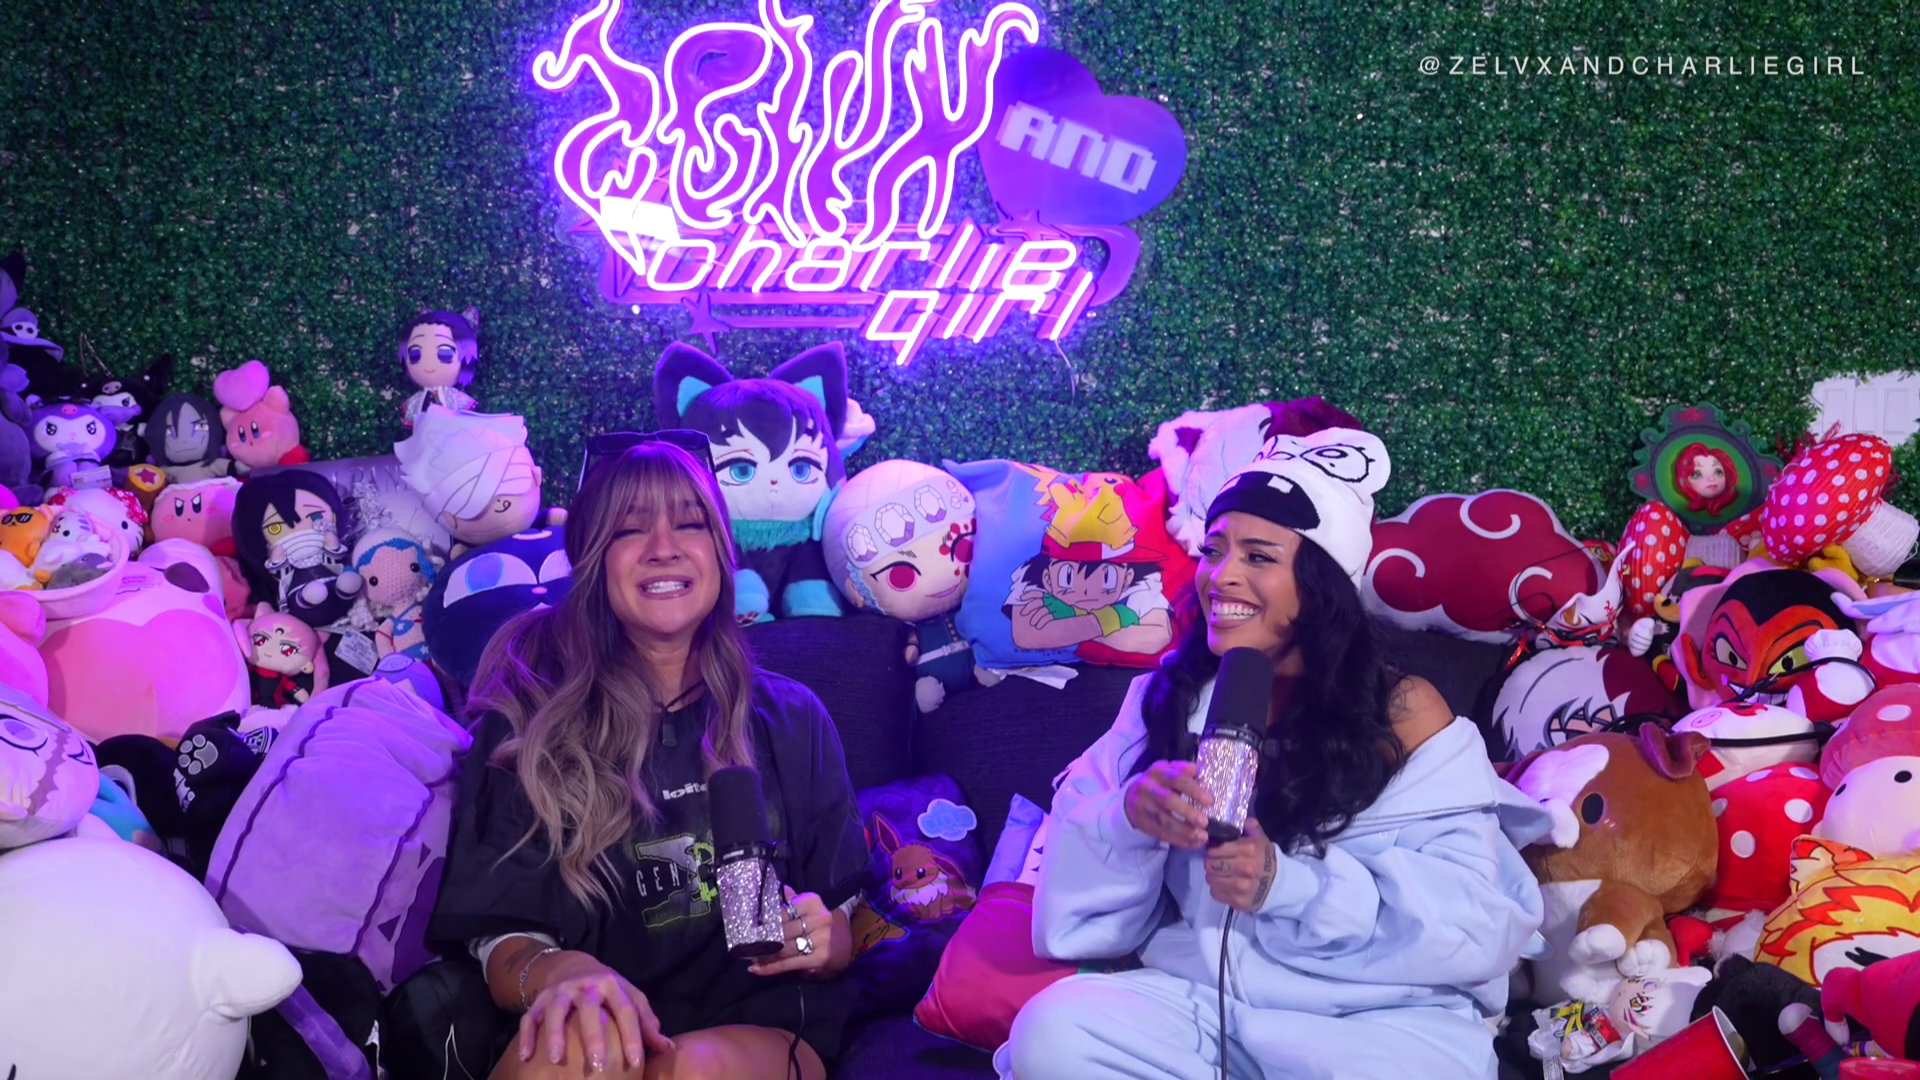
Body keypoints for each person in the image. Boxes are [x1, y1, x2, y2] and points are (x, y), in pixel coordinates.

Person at [1001, 428, 1554, 1080]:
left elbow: (1471, 922)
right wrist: (1129, 818)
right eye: (1213, 551)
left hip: (1372, 1020)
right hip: (1208, 1002)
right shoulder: (1167, 695)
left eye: (1258, 556)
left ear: (1321, 583)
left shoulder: (1404, 710)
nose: (1220, 575)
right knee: (1054, 1032)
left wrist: (1287, 886)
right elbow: (1071, 918)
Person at [429, 434, 869, 1080]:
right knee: (592, 1050)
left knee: (672, 1070)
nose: (664, 547)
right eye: (630, 530)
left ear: (721, 552)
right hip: (591, 1026)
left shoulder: (792, 718)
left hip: (764, 1025)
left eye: (690, 524)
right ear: (593, 561)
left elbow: (840, 926)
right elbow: (503, 943)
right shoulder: (527, 723)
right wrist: (561, 972)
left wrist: (820, 939)